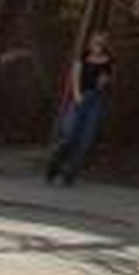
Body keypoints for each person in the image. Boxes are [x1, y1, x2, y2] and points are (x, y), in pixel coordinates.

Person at [44, 29, 114, 184]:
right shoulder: (82, 58)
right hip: (80, 99)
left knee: (85, 139)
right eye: (96, 42)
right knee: (69, 135)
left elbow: (105, 81)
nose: (98, 45)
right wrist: (77, 95)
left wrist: (103, 82)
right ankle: (53, 165)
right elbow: (75, 78)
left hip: (95, 101)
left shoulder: (108, 61)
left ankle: (70, 174)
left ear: (105, 45)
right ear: (91, 43)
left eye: (102, 43)